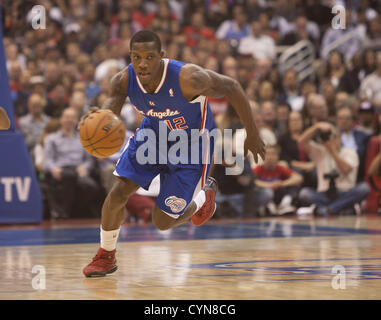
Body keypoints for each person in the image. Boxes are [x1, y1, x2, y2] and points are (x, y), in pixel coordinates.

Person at [81, 30, 265, 277]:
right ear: (131, 57)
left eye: (149, 57)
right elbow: (110, 113)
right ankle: (106, 255)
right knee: (117, 194)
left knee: (162, 222)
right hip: (153, 136)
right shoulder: (123, 80)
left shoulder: (188, 78)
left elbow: (232, 86)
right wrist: (99, 117)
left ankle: (204, 195)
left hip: (192, 146)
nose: (143, 63)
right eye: (136, 57)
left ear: (162, 56)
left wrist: (251, 133)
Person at [298, 122, 370, 216]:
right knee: (304, 193)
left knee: (364, 188)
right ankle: (342, 209)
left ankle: (328, 209)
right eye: (328, 137)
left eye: (333, 136)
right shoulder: (320, 151)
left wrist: (332, 150)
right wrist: (316, 127)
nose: (330, 140)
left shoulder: (350, 153)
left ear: (339, 138)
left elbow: (345, 169)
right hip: (324, 194)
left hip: (345, 192)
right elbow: (301, 142)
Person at [252, 144, 303, 216]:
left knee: (294, 186)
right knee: (266, 192)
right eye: (267, 154)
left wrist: (282, 183)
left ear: (277, 157)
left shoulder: (280, 168)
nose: (270, 157)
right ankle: (267, 205)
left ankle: (285, 204)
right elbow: (251, 181)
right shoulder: (258, 169)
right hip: (266, 196)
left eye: (273, 154)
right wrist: (269, 185)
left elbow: (299, 178)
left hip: (279, 196)